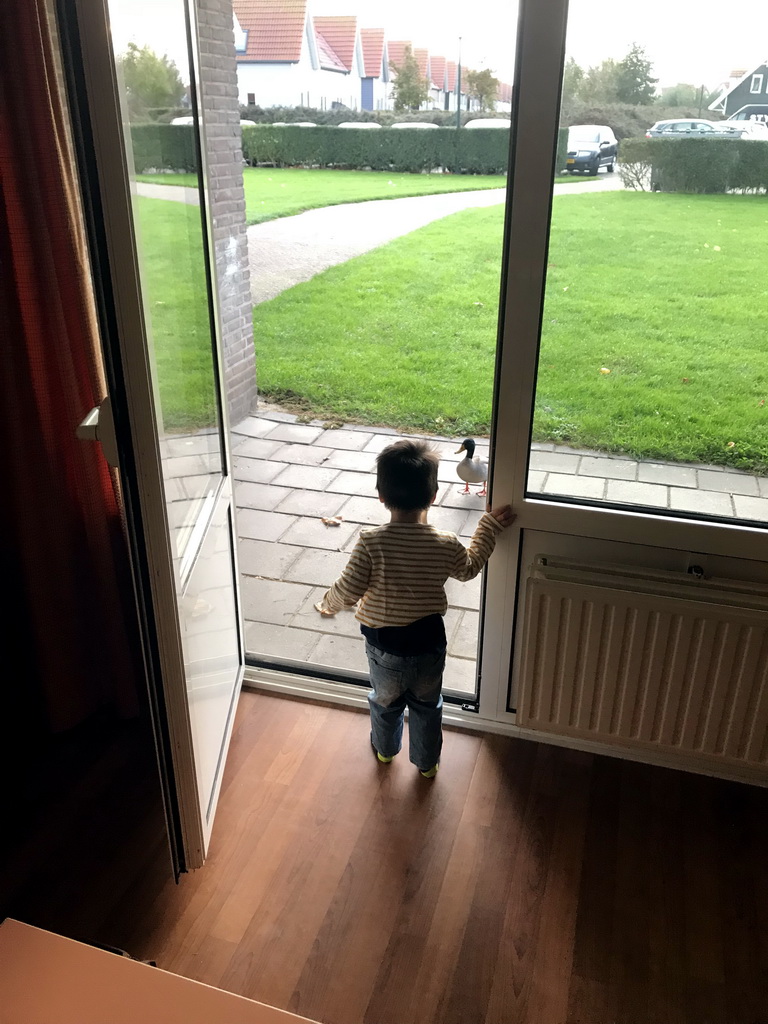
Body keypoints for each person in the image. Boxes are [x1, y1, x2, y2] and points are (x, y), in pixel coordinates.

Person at [315, 438, 515, 778]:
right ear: (434, 495)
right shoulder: (444, 542)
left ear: (381, 495)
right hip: (429, 645)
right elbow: (469, 569)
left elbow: (348, 590)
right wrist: (488, 526)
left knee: (385, 703)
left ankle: (385, 751)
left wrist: (328, 604)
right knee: (426, 707)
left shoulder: (371, 542)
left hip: (384, 647)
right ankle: (426, 763)